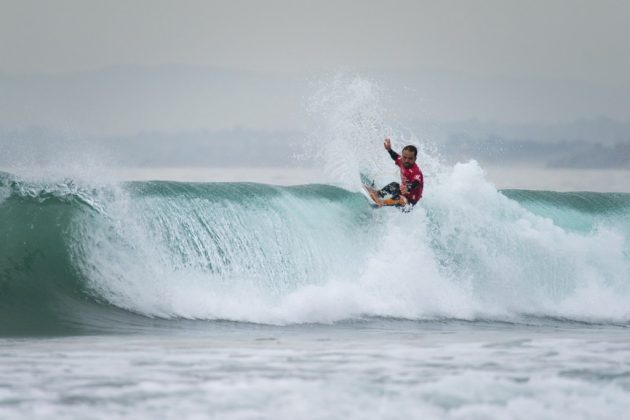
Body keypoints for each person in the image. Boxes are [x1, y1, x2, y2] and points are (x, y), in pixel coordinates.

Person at [368, 138, 423, 208]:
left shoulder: (416, 172)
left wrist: (408, 187)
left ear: (415, 159)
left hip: (409, 203)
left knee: (400, 199)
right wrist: (389, 149)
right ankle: (377, 194)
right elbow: (396, 156)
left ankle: (381, 203)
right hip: (402, 193)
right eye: (404, 157)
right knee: (394, 185)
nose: (406, 160)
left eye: (410, 158)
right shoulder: (402, 162)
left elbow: (416, 183)